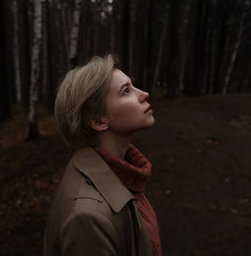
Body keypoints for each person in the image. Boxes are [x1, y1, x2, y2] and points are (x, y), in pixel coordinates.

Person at [43, 54, 162, 256]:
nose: (144, 94)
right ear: (99, 121)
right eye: (126, 91)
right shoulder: (88, 219)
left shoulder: (122, 175)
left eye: (133, 87)